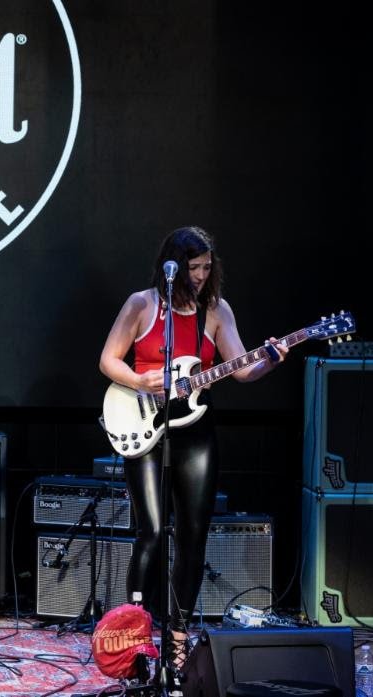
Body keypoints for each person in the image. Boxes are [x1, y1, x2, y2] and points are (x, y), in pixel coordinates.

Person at [98, 226, 287, 666]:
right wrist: (141, 379)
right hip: (144, 424)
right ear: (174, 265)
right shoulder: (142, 304)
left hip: (196, 430)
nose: (201, 275)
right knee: (149, 531)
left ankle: (178, 636)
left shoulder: (217, 311)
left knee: (193, 536)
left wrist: (270, 361)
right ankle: (137, 633)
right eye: (193, 267)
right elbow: (108, 359)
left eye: (207, 267)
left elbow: (240, 369)